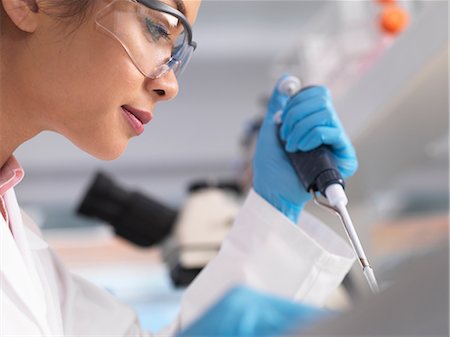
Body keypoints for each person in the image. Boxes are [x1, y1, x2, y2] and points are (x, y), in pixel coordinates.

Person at [0, 0, 358, 336]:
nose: (170, 85)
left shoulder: (29, 259)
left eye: (176, 51)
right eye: (159, 28)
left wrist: (276, 210)